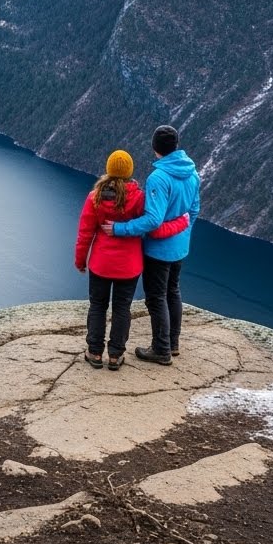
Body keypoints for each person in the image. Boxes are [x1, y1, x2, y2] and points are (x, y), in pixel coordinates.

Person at [76, 149, 189, 371]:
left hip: (101, 264)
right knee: (122, 308)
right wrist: (182, 223)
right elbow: (152, 223)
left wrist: (81, 261)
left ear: (108, 169)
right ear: (129, 171)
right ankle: (116, 356)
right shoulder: (139, 197)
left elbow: (85, 233)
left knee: (98, 306)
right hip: (129, 266)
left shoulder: (95, 197)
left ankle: (95, 352)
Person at [101, 125, 201, 366]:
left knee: (156, 297)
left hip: (158, 249)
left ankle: (161, 349)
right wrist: (181, 232)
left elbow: (153, 219)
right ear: (176, 146)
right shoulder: (192, 173)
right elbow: (194, 210)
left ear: (155, 147)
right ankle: (173, 343)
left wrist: (119, 229)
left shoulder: (159, 177)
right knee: (173, 291)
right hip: (179, 247)